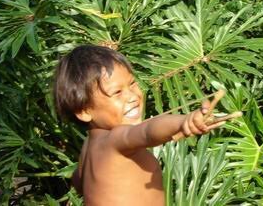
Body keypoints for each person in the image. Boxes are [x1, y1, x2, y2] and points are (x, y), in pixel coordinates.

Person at [53, 45, 226, 206]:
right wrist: (183, 121)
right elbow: (146, 132)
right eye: (117, 92)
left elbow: (79, 181)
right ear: (84, 111)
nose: (132, 96)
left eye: (132, 83)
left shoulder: (89, 148)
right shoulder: (114, 140)